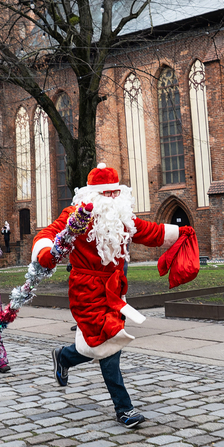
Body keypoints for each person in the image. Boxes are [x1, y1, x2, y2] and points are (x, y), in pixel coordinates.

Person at [31, 163, 195, 428]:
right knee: (109, 341)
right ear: (93, 194)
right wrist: (46, 252)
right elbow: (49, 234)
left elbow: (148, 231)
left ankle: (64, 356)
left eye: (114, 193)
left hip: (115, 289)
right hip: (86, 289)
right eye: (106, 193)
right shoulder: (76, 215)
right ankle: (124, 408)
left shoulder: (121, 216)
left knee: (101, 343)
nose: (111, 198)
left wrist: (181, 232)